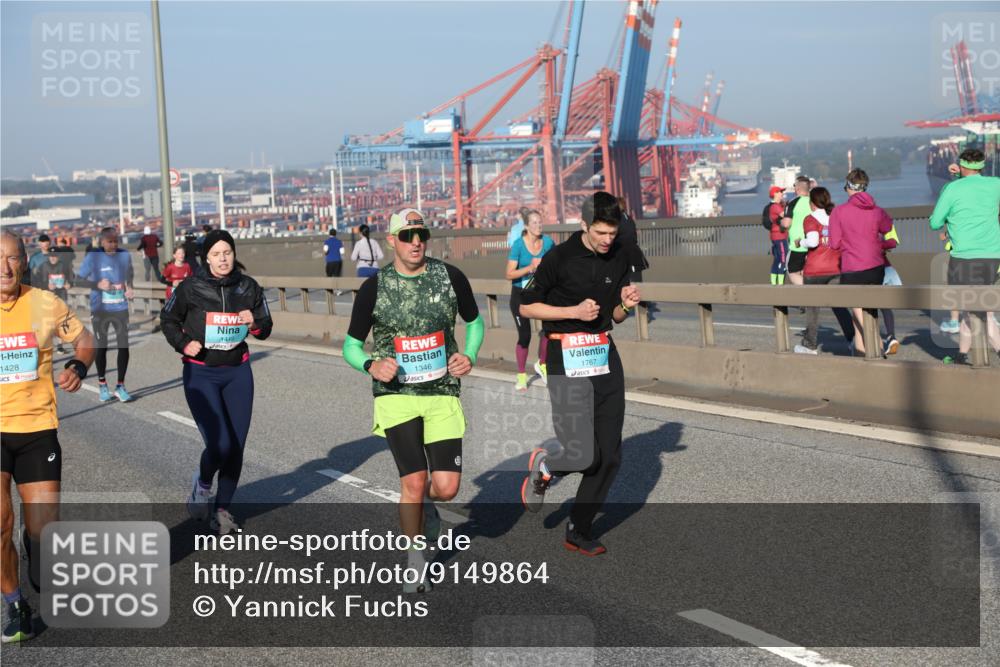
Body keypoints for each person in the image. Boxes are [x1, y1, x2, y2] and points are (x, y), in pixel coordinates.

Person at [343, 208, 484, 592]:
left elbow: (475, 321)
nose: (416, 242)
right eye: (407, 236)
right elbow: (351, 346)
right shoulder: (375, 286)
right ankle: (415, 560)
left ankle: (428, 509)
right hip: (396, 397)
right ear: (392, 242)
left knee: (447, 487)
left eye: (421, 233)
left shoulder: (450, 277)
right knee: (414, 481)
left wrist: (468, 355)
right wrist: (371, 365)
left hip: (441, 392)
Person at [519, 191, 641, 556]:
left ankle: (579, 529)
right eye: (600, 232)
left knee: (610, 455)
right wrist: (572, 310)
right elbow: (526, 306)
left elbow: (616, 316)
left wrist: (624, 305)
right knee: (582, 455)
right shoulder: (560, 257)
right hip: (564, 354)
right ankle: (546, 467)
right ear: (584, 225)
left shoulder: (620, 251)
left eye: (612, 233)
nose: (607, 240)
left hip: (602, 353)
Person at [1, 229, 95, 644]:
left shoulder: (44, 303)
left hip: (37, 429)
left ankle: (35, 549)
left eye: (12, 258)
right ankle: (14, 604)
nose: (4, 267)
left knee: (43, 531)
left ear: (24, 261)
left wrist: (78, 364)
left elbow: (85, 338)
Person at [160, 230, 273, 535]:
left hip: (238, 372)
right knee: (219, 443)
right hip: (202, 373)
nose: (223, 259)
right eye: (216, 254)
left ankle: (222, 511)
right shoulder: (190, 287)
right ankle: (203, 484)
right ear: (206, 258)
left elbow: (265, 326)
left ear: (234, 254)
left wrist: (254, 323)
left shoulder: (248, 287)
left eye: (228, 252)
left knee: (235, 446)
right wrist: (183, 343)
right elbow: (168, 319)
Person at [929, 147, 1000, 364]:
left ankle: (992, 350)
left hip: (964, 258)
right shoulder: (995, 184)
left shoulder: (952, 189)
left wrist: (956, 181)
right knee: (978, 309)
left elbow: (935, 223)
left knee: (975, 310)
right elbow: (975, 185)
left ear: (961, 165)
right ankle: (961, 354)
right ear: (982, 165)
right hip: (993, 257)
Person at [75, 228, 135, 402]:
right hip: (100, 309)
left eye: (116, 241)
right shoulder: (93, 257)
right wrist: (97, 284)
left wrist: (129, 287)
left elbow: (129, 274)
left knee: (124, 346)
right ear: (102, 242)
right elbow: (78, 279)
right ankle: (102, 384)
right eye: (110, 241)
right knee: (102, 346)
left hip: (120, 307)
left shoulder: (124, 255)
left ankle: (120, 386)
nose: (114, 244)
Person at [793, 187, 854, 355]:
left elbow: (813, 242)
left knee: (813, 310)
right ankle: (852, 339)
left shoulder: (810, 219)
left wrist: (800, 242)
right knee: (840, 306)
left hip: (815, 271)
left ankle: (810, 345)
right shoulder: (836, 216)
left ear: (812, 203)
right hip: (836, 268)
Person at [505, 209, 555, 390]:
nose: (538, 225)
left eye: (540, 222)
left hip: (541, 293)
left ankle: (542, 364)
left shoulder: (548, 242)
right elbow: (509, 274)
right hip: (521, 294)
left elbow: (557, 262)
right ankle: (521, 376)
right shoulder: (518, 245)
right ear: (526, 226)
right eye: (534, 222)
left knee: (549, 329)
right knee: (525, 336)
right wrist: (530, 268)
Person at [782, 176, 813, 286]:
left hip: (797, 246)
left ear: (798, 189)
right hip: (812, 245)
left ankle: (809, 292)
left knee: (792, 272)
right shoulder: (814, 202)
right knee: (804, 272)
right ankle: (807, 301)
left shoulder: (792, 202)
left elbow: (786, 224)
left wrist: (781, 221)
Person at [766, 186, 790, 285]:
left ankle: (773, 282)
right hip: (780, 236)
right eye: (780, 192)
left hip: (776, 236)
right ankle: (780, 284)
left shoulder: (776, 206)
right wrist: (790, 206)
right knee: (783, 260)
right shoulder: (775, 206)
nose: (782, 193)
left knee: (777, 260)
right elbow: (786, 215)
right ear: (775, 194)